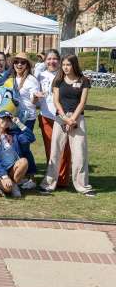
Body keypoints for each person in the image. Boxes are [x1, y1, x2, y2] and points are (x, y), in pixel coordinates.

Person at [39, 55, 95, 196]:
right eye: (63, 64)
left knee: (79, 154)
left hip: (77, 119)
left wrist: (73, 119)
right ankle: (48, 184)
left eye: (68, 64)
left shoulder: (84, 81)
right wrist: (65, 118)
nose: (65, 67)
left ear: (74, 65)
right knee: (55, 152)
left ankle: (83, 186)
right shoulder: (58, 80)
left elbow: (82, 103)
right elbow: (56, 101)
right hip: (60, 118)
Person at [36, 49, 70, 187]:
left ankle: (62, 179)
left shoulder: (64, 75)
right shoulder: (40, 75)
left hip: (62, 116)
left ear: (59, 60)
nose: (52, 61)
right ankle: (52, 177)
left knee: (64, 149)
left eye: (54, 58)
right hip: (46, 116)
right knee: (50, 149)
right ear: (45, 61)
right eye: (49, 59)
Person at [0, 111, 35, 198]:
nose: (5, 121)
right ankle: (4, 184)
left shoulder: (14, 134)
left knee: (24, 161)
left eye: (8, 119)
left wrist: (19, 123)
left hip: (12, 168)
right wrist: (4, 176)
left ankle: (13, 184)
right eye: (3, 118)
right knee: (8, 189)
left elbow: (31, 138)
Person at [11, 52, 40, 188]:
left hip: (27, 118)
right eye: (17, 61)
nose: (19, 64)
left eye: (22, 62)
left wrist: (36, 97)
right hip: (14, 118)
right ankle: (22, 174)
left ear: (27, 64)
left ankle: (32, 177)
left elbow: (34, 100)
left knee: (24, 144)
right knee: (16, 145)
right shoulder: (11, 78)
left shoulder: (31, 80)